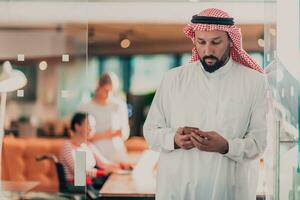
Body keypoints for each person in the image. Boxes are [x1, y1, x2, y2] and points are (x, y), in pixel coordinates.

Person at [143, 8, 267, 200]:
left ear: (230, 41)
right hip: (177, 189)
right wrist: (173, 139)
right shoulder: (173, 79)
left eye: (216, 42)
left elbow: (260, 144)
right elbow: (150, 131)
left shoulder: (254, 82)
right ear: (194, 40)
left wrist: (226, 146)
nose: (208, 50)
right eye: (201, 42)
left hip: (228, 191)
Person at [60, 112, 131, 189]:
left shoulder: (87, 145)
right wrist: (103, 172)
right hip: (77, 189)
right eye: (89, 126)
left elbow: (103, 163)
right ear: (77, 126)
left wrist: (121, 165)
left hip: (89, 186)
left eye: (93, 126)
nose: (92, 130)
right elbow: (79, 173)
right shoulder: (68, 146)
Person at [78, 73, 130, 163]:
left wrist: (122, 133)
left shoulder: (119, 105)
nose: (108, 94)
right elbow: (81, 136)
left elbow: (125, 133)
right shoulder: (85, 106)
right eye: (105, 90)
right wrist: (108, 134)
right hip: (94, 155)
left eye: (111, 91)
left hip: (117, 154)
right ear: (98, 87)